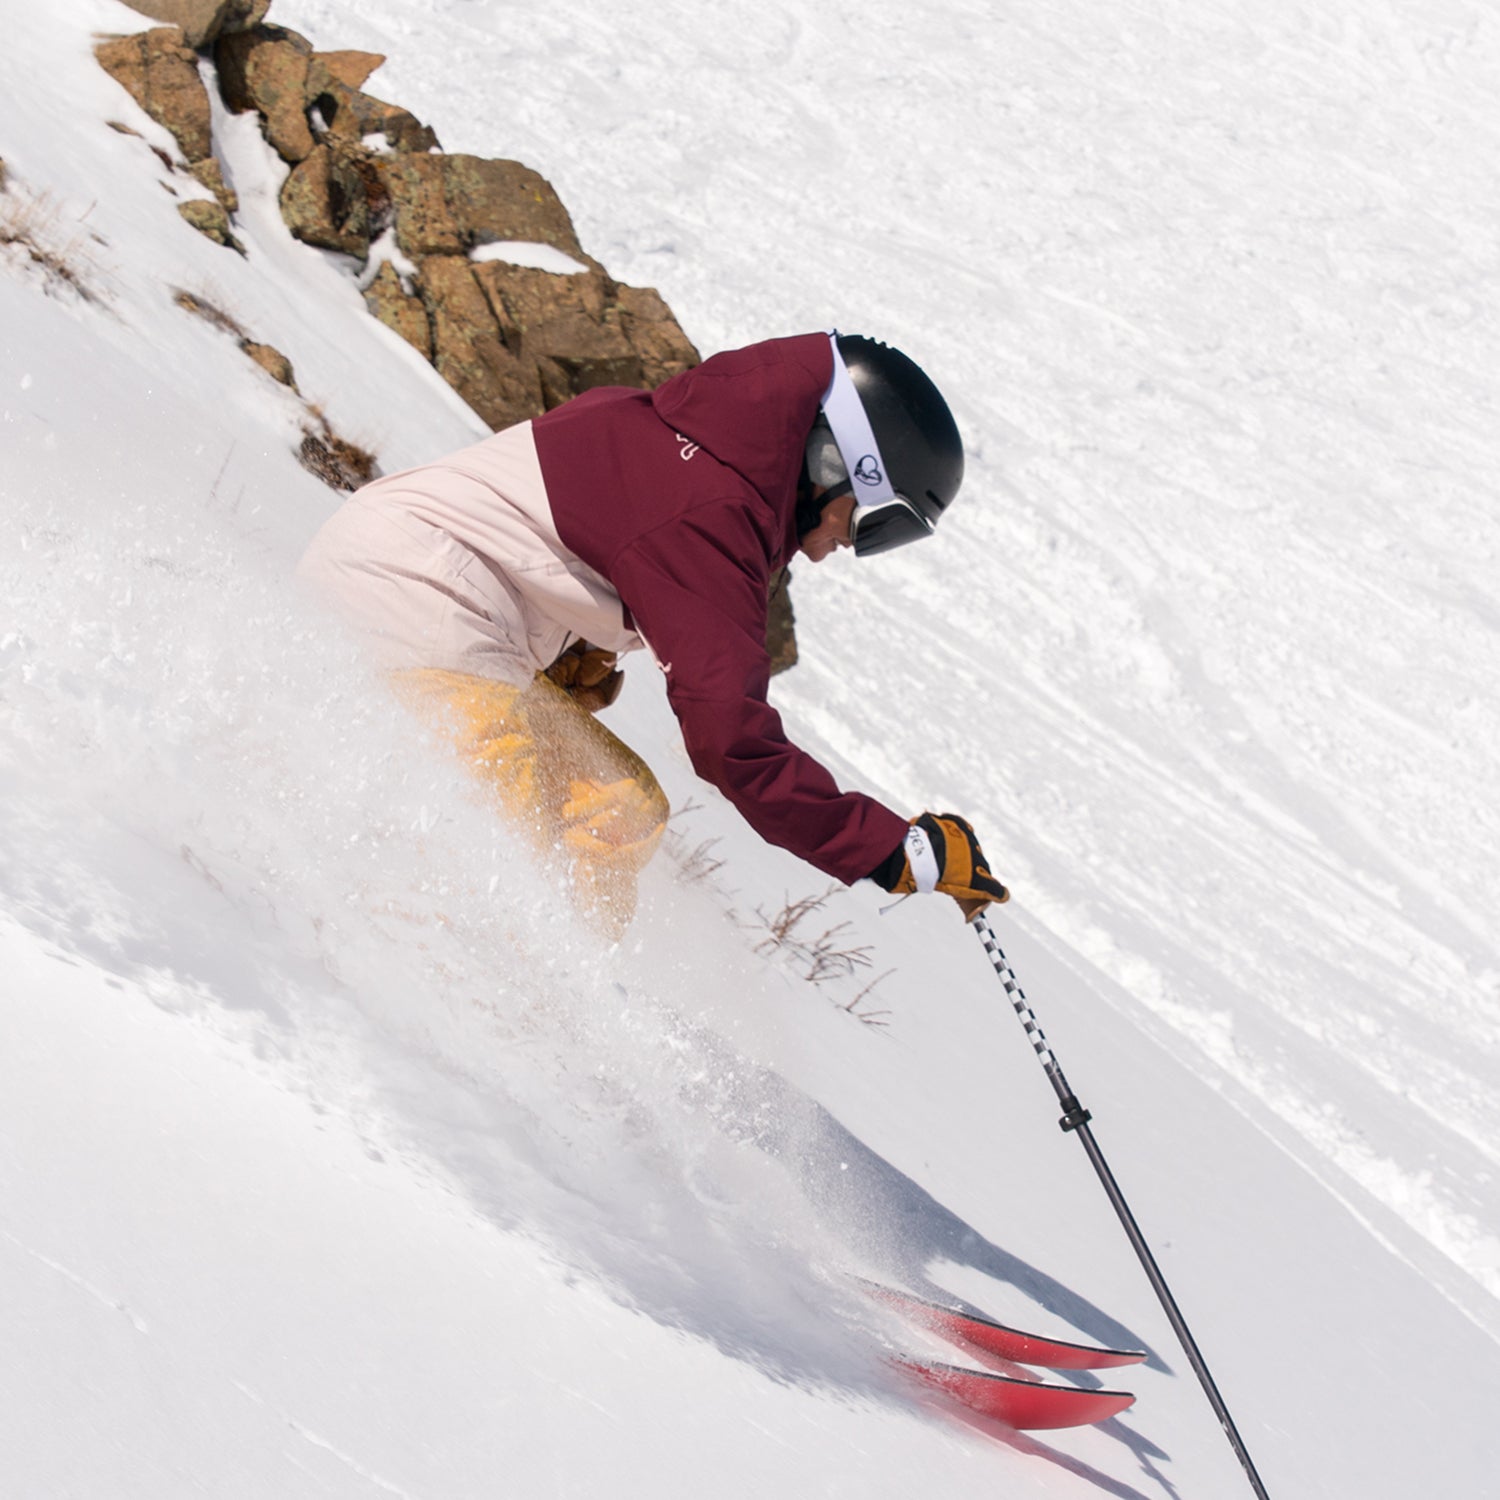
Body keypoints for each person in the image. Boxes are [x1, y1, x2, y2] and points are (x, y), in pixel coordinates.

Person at [297, 330, 1008, 935]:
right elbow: (734, 743)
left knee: (616, 809)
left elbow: (552, 532)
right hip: (414, 595)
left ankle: (547, 999)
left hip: (421, 585)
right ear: (835, 461)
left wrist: (564, 639)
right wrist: (892, 849)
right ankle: (439, 977)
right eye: (869, 525)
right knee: (501, 845)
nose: (844, 550)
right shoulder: (711, 514)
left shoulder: (677, 439)